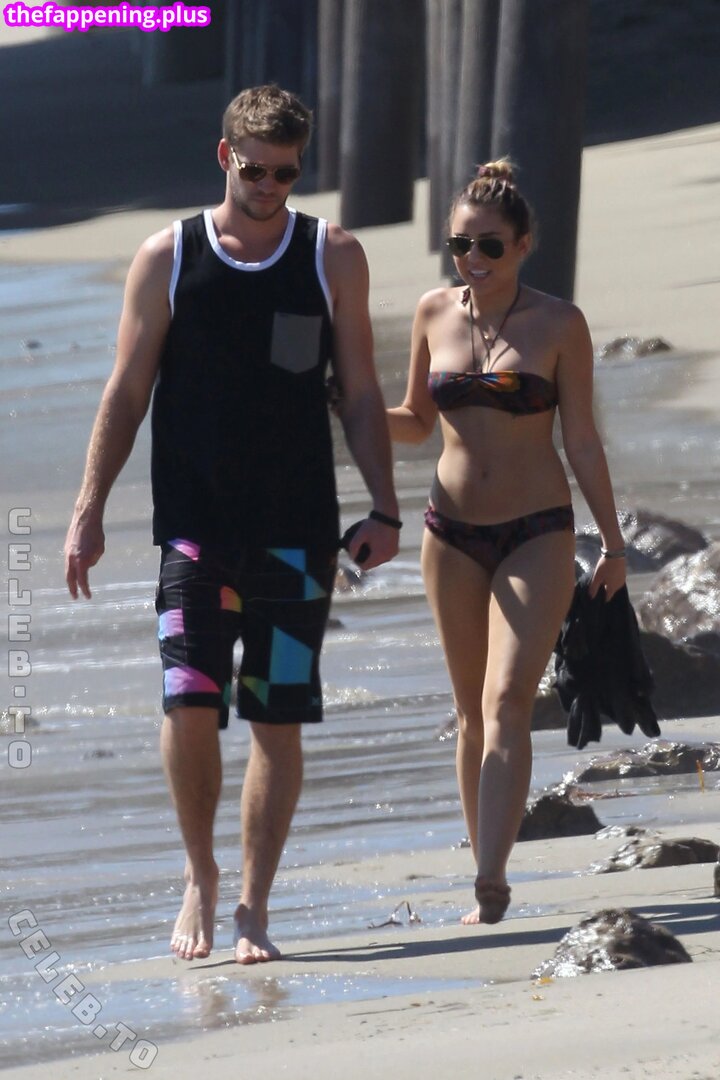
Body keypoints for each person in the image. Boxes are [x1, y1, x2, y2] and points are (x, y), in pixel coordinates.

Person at [64, 84, 400, 964]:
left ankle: (254, 904)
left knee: (275, 720)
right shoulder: (169, 255)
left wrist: (385, 505)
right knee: (189, 704)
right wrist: (89, 509)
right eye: (256, 171)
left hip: (297, 533)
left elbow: (362, 393)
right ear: (225, 158)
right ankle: (200, 872)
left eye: (287, 173)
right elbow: (127, 392)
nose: (270, 187)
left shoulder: (331, 255)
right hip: (194, 528)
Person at [387, 161, 626, 925]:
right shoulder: (433, 312)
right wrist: (344, 405)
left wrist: (613, 543)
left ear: (524, 245)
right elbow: (415, 422)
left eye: (489, 246)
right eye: (461, 245)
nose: (473, 260)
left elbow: (581, 439)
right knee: (469, 710)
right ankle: (482, 859)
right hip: (450, 533)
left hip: (537, 530)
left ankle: (491, 876)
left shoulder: (560, 324)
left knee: (507, 700)